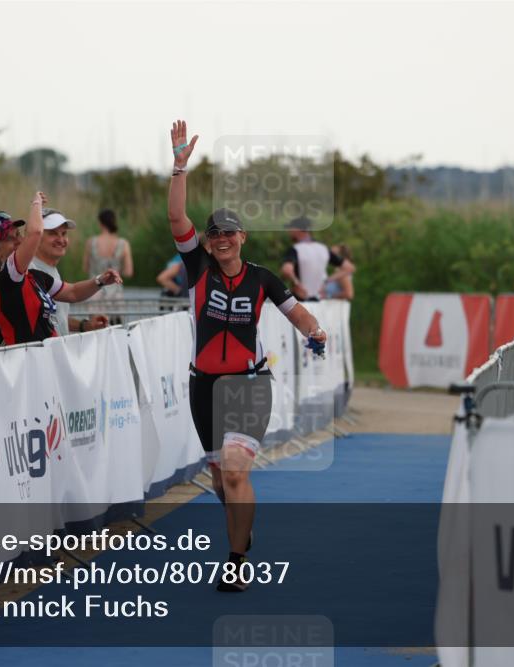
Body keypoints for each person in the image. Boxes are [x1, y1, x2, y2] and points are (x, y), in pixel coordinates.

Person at [168, 120, 327, 592]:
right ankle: (242, 529)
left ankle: (236, 561)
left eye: (228, 234)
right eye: (213, 234)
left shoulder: (261, 278)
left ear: (243, 238)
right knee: (223, 482)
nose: (220, 240)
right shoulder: (197, 268)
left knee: (237, 469)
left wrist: (315, 329)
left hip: (249, 384)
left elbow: (296, 312)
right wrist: (179, 167)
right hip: (204, 387)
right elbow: (177, 220)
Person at [0, 192, 122, 346]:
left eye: (64, 234)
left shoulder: (36, 274)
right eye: (52, 233)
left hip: (50, 357)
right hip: (31, 360)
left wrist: (100, 281)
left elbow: (72, 293)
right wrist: (25, 342)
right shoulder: (13, 271)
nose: (61, 239)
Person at [280, 217, 355, 300]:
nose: (289, 232)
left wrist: (296, 283)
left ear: (298, 229)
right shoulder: (323, 248)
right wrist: (326, 281)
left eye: (291, 228)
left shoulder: (295, 249)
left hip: (299, 300)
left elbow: (286, 270)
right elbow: (349, 268)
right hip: (318, 300)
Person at [84, 208, 133, 302]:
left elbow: (86, 268)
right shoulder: (123, 243)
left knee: (95, 317)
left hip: (95, 292)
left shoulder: (91, 242)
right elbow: (128, 272)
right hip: (116, 294)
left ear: (100, 223)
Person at [157, 233, 208, 297]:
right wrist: (179, 291)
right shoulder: (185, 260)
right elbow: (162, 278)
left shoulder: (184, 257)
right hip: (187, 299)